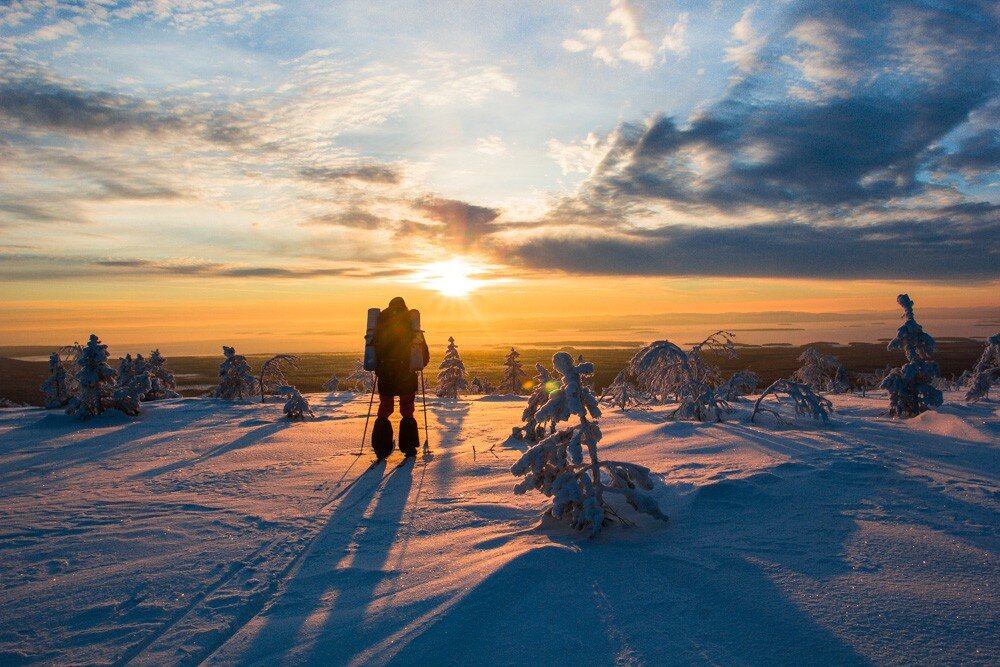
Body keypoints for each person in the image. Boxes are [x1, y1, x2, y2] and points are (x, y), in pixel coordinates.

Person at [372, 297, 429, 459]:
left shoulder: (380, 325)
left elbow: (373, 349)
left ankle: (381, 448)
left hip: (385, 373)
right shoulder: (412, 325)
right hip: (406, 374)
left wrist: (379, 369)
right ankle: (409, 447)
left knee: (385, 409)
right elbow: (423, 355)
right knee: (407, 409)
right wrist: (417, 366)